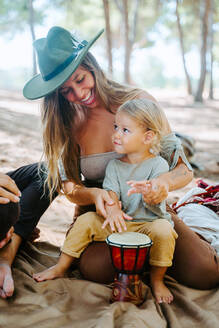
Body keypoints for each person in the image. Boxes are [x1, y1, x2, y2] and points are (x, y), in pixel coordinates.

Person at [0, 26, 218, 299]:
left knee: (206, 274)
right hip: (100, 217)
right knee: (95, 269)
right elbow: (67, 186)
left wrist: (162, 184)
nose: (78, 94)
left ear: (91, 66)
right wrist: (95, 193)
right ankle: (151, 259)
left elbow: (183, 169)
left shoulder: (138, 101)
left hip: (149, 209)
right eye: (66, 91)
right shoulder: (67, 123)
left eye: (80, 80)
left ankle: (186, 221)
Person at [33, 98, 178, 304]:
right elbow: (110, 193)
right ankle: (61, 266)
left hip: (148, 225)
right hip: (121, 224)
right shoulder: (115, 166)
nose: (116, 134)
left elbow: (157, 201)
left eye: (125, 130)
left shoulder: (158, 165)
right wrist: (113, 209)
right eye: (116, 127)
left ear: (147, 137)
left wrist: (150, 194)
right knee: (86, 221)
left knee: (165, 230)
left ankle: (157, 280)